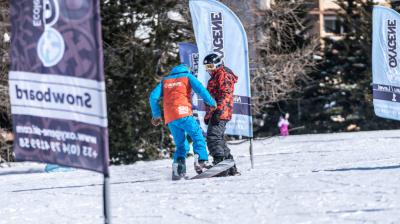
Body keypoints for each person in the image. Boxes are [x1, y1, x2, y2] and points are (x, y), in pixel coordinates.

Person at [149, 64, 216, 180]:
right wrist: (212, 103)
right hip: (183, 112)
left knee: (181, 144)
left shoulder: (165, 80)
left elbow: (153, 97)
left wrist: (156, 115)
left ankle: (178, 170)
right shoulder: (187, 76)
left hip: (170, 117)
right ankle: (201, 161)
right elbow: (201, 89)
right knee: (197, 135)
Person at [203, 53, 239, 176]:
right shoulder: (216, 75)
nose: (209, 69)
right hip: (217, 111)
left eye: (211, 66)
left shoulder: (223, 74)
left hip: (221, 111)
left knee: (213, 138)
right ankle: (230, 166)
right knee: (218, 139)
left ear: (217, 64)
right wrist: (209, 115)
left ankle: (220, 164)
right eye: (207, 66)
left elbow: (226, 94)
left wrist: (219, 111)